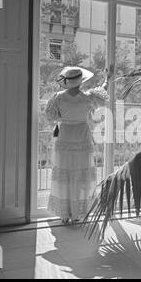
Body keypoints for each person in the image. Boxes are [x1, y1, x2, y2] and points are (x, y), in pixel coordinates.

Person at [45, 66, 113, 224]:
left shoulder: (58, 97)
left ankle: (65, 214)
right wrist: (108, 78)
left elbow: (50, 115)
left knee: (65, 176)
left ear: (67, 81)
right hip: (82, 137)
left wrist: (63, 117)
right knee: (80, 177)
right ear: (81, 81)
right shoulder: (88, 97)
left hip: (65, 138)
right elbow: (102, 91)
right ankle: (77, 213)